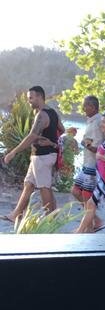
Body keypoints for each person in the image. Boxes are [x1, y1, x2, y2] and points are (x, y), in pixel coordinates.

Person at [2, 85, 64, 224]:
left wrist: (13, 152)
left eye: (31, 98)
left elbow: (31, 136)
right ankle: (16, 215)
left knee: (44, 187)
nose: (29, 101)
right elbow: (62, 129)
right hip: (42, 155)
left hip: (43, 156)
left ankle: (50, 218)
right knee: (28, 184)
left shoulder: (41, 114)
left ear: (40, 97)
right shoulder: (52, 112)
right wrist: (52, 142)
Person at [72, 95, 105, 231]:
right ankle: (95, 222)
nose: (83, 108)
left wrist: (85, 144)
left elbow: (98, 146)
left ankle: (87, 229)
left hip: (93, 165)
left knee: (87, 197)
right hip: (87, 164)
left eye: (85, 105)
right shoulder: (91, 121)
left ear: (92, 107)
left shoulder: (98, 122)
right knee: (75, 191)